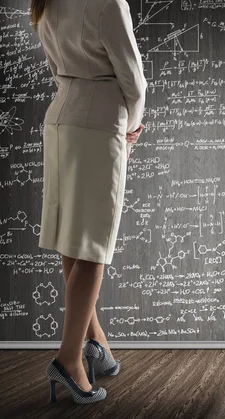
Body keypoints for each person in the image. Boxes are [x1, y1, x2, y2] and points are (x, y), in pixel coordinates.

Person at [31, 0, 147, 404]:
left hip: (59, 119)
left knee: (72, 238)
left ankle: (96, 341)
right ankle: (68, 360)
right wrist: (131, 129)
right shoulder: (108, 3)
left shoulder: (45, 3)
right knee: (94, 246)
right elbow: (133, 81)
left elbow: (53, 66)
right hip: (99, 124)